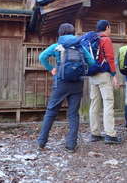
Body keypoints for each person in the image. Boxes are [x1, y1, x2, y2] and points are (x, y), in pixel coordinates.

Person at [37, 23, 95, 153]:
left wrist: (52, 68)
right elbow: (91, 62)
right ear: (73, 32)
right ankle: (71, 145)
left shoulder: (57, 46)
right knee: (73, 114)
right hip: (77, 83)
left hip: (61, 83)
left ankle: (42, 142)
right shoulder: (80, 46)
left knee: (51, 111)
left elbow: (41, 57)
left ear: (60, 33)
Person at [88, 20, 121, 144]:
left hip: (92, 75)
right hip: (103, 75)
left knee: (94, 103)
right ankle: (110, 134)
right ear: (107, 27)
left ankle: (95, 133)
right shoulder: (106, 39)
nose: (110, 30)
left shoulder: (92, 39)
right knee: (108, 103)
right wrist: (114, 75)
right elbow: (110, 58)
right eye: (110, 28)